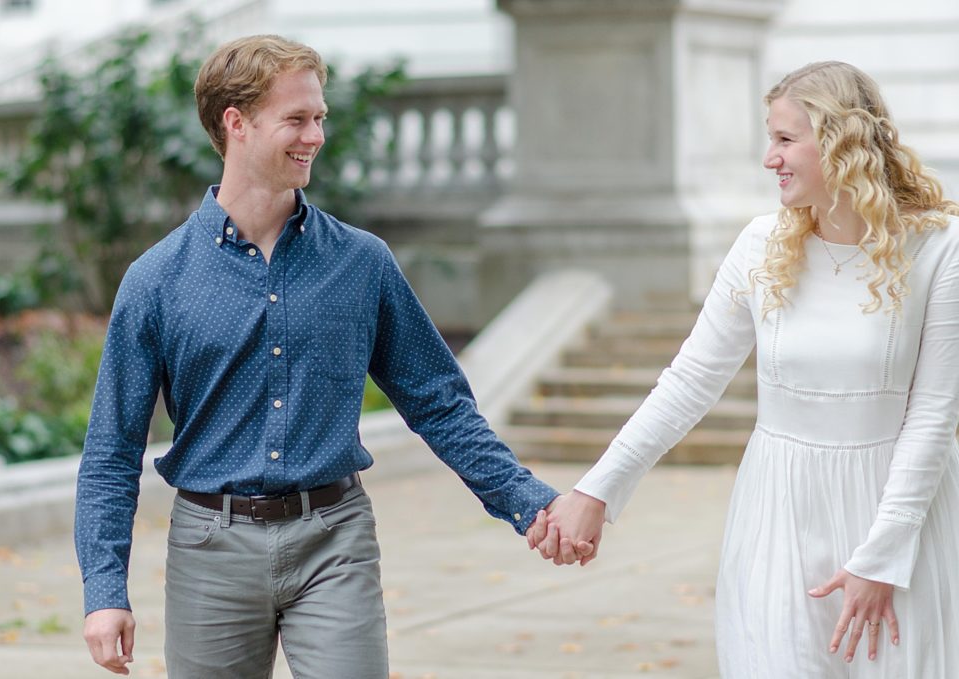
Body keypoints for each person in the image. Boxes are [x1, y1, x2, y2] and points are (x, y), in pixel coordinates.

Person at [75, 34, 563, 678]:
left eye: (320, 117)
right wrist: (105, 591)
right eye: (297, 119)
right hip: (209, 550)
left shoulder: (362, 264)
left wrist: (527, 500)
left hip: (335, 539)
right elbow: (111, 448)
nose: (316, 136)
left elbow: (439, 403)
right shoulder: (157, 279)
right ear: (236, 123)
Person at [528, 61, 959, 677]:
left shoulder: (940, 248)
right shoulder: (761, 244)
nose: (769, 158)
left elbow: (935, 414)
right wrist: (597, 489)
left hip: (898, 512)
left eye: (785, 140)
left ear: (841, 141)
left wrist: (883, 555)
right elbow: (688, 382)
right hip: (778, 510)